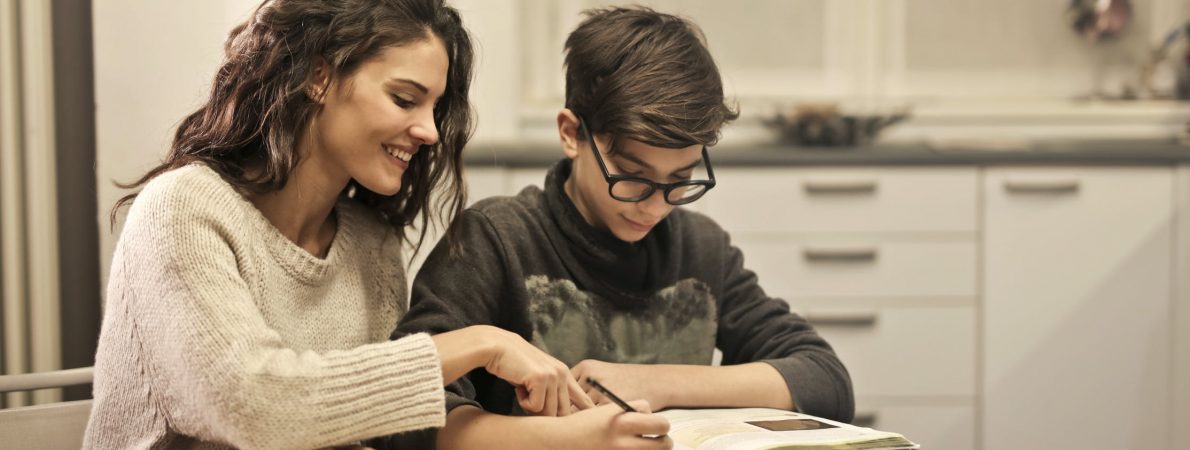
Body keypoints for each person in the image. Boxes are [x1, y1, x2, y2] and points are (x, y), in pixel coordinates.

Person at [81, 1, 669, 448]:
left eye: (436, 108)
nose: (430, 131)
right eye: (405, 98)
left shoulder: (369, 243)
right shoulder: (184, 209)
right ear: (318, 75)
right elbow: (253, 403)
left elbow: (387, 428)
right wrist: (480, 343)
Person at [396, 6, 855, 449]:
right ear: (571, 134)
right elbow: (404, 413)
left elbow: (824, 378)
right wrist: (565, 441)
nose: (655, 207)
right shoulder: (495, 241)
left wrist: (655, 383)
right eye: (632, 177)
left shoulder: (701, 249)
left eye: (680, 180)